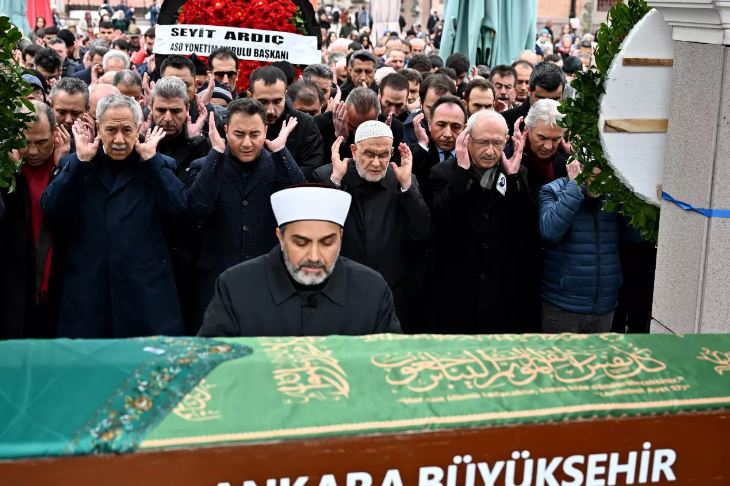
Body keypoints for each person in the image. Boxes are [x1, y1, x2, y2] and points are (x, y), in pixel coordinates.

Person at [42, 94, 189, 338]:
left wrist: (152, 163)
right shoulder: (79, 163)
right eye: (111, 130)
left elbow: (181, 207)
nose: (119, 139)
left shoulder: (158, 164)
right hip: (89, 294)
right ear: (98, 127)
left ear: (138, 128)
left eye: (126, 130)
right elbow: (51, 208)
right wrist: (80, 163)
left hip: (145, 295)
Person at [198, 186, 401, 336]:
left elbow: (391, 365)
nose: (314, 257)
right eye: (301, 243)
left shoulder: (372, 290)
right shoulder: (235, 287)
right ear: (280, 237)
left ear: (340, 237)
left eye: (327, 243)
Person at [187, 98, 306, 327]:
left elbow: (301, 203)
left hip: (268, 281)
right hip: (215, 280)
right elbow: (197, 210)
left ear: (266, 131)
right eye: (239, 134)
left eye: (255, 134)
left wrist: (281, 151)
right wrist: (216, 153)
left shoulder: (277, 164)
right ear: (226, 131)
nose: (247, 143)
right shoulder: (206, 166)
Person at [429, 110, 540, 334]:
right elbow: (441, 219)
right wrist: (463, 174)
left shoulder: (516, 172)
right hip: (457, 292)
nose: (490, 151)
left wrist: (514, 179)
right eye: (482, 142)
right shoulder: (444, 173)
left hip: (500, 292)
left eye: (497, 143)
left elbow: (528, 225)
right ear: (467, 139)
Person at [313, 120, 430, 326]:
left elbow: (421, 233)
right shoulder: (328, 176)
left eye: (383, 155)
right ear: (354, 150)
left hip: (390, 294)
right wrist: (335, 182)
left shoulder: (402, 179)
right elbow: (318, 231)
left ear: (391, 153)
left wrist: (407, 188)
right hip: (339, 293)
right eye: (369, 154)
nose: (376, 163)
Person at [539, 162, 638, 333]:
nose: (599, 181)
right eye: (592, 175)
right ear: (578, 166)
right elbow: (549, 231)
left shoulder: (613, 195)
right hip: (563, 305)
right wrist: (574, 188)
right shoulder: (553, 190)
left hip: (604, 305)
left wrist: (630, 200)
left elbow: (636, 237)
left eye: (604, 174)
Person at [0, 101, 69, 338]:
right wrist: (9, 172)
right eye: (25, 142)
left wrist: (64, 169)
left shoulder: (68, 166)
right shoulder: (5, 169)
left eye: (41, 142)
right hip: (15, 287)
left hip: (57, 285)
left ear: (56, 134)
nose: (32, 151)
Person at [248, 66, 325, 179]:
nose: (270, 110)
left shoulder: (304, 124)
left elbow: (311, 172)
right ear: (250, 96)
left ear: (285, 95)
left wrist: (282, 154)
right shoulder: (238, 122)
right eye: (263, 102)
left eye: (277, 101)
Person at [314, 87, 404, 174]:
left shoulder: (393, 127)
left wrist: (383, 143)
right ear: (344, 110)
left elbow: (394, 170)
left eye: (365, 127)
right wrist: (340, 139)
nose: (357, 133)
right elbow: (322, 168)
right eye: (352, 126)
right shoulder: (321, 124)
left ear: (377, 117)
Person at [504, 99, 569, 202]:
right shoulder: (505, 158)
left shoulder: (566, 163)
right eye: (542, 138)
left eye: (556, 139)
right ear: (526, 130)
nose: (548, 146)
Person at [501, 61, 565, 135]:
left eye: (555, 99)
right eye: (542, 99)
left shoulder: (571, 124)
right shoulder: (504, 121)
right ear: (529, 91)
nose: (548, 106)